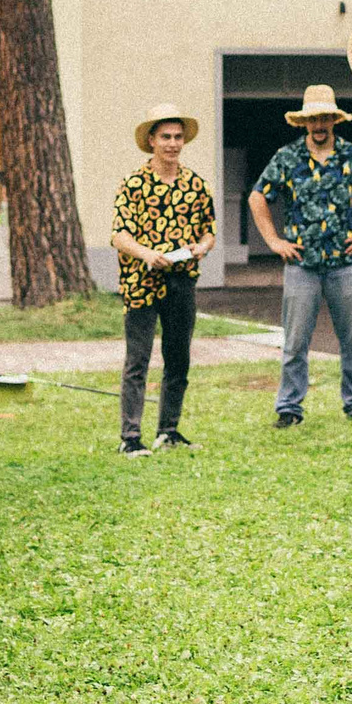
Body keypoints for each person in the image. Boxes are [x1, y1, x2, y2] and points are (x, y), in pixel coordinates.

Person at [250, 83, 352, 428]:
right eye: (313, 120)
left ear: (334, 120)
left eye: (325, 119)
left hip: (345, 263)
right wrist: (273, 241)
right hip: (301, 264)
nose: (319, 126)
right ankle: (289, 408)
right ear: (303, 123)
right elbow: (258, 197)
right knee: (295, 340)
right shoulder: (287, 157)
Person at [109, 103, 217, 455]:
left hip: (182, 280)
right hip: (142, 282)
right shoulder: (134, 184)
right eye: (166, 137)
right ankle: (130, 438)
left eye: (178, 137)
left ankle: (168, 430)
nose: (172, 143)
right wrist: (146, 254)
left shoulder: (196, 185)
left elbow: (209, 232)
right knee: (137, 360)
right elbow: (119, 235)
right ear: (152, 141)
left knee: (178, 358)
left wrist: (200, 248)